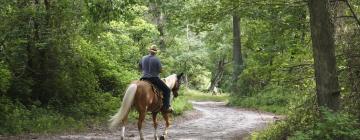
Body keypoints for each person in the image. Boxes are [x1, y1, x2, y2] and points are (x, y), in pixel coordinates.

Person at [139, 45, 172, 112]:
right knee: (167, 90)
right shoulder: (157, 59)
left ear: (149, 50)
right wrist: (161, 70)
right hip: (153, 79)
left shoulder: (143, 58)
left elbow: (140, 67)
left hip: (144, 78)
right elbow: (160, 70)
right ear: (155, 52)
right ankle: (166, 107)